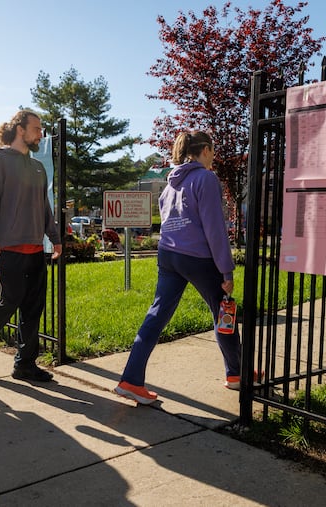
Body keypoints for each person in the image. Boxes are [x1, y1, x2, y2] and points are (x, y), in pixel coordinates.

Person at [115, 130, 252, 405]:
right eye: (212, 151)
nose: (214, 157)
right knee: (223, 310)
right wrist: (226, 270)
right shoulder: (206, 178)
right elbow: (215, 229)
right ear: (204, 150)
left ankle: (131, 379)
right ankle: (236, 374)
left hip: (168, 256)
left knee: (156, 315)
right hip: (198, 258)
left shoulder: (169, 186)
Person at [0, 110, 62, 382]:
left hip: (34, 248)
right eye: (36, 128)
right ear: (21, 130)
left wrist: (54, 237)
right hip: (8, 248)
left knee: (33, 307)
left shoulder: (38, 167)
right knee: (9, 301)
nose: (40, 133)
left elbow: (44, 206)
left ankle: (25, 364)